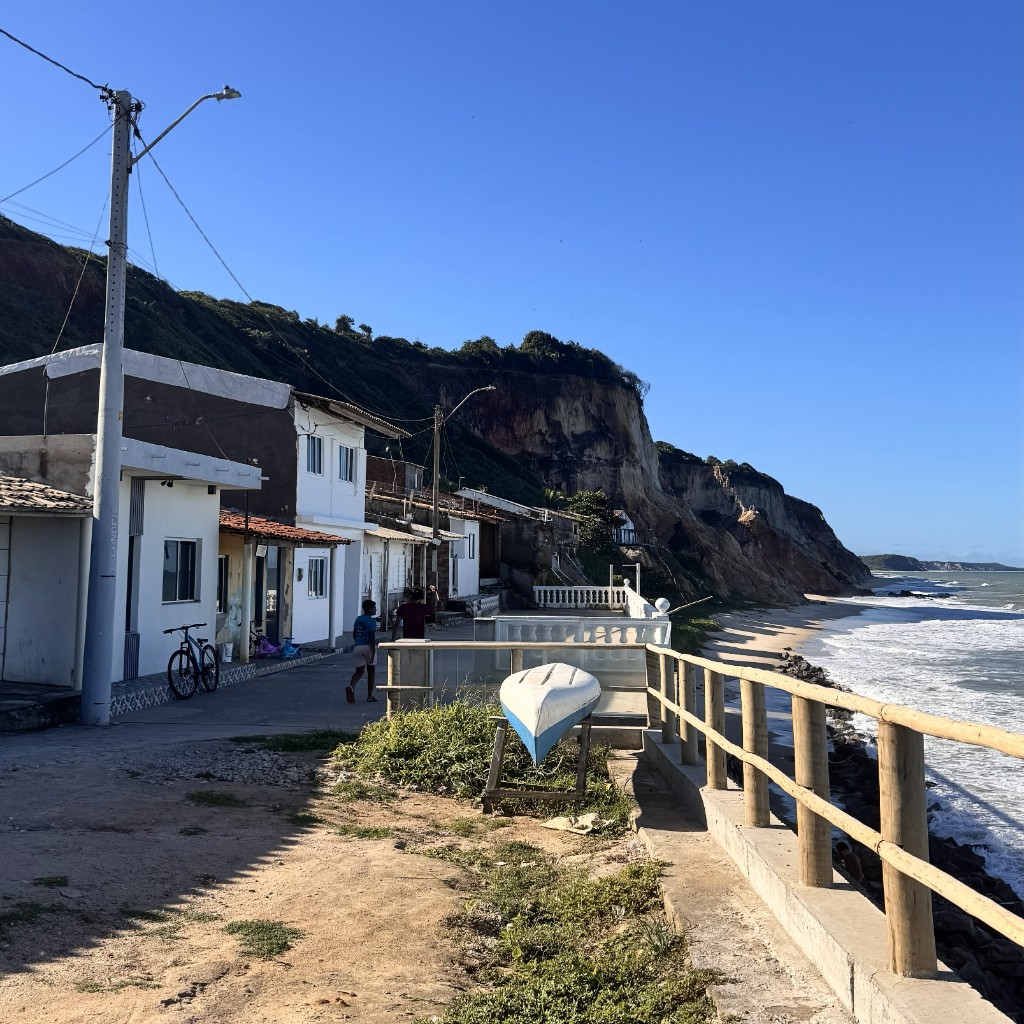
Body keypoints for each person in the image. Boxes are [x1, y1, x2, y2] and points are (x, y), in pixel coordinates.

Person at [347, 599, 378, 703]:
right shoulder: (372, 621)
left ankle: (351, 687)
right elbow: (372, 637)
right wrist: (372, 652)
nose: (375, 610)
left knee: (359, 671)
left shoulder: (358, 619)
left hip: (358, 647)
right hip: (368, 647)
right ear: (370, 609)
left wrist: (358, 642)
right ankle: (369, 696)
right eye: (374, 608)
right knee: (371, 671)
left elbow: (354, 633)